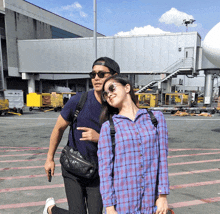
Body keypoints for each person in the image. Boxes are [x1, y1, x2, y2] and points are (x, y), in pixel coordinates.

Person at [43, 57, 120, 214]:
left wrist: (100, 138)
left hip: (99, 172)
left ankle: (52, 210)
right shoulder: (79, 101)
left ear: (114, 76)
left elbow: (127, 140)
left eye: (101, 74)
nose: (96, 78)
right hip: (74, 168)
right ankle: (50, 209)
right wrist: (49, 159)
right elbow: (58, 129)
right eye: (93, 74)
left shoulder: (117, 107)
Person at [98, 75, 170, 214]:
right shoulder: (109, 127)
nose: (109, 94)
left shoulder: (155, 118)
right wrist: (109, 207)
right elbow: (105, 170)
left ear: (127, 87)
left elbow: (162, 159)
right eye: (105, 94)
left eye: (112, 88)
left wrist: (162, 196)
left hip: (151, 201)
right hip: (123, 204)